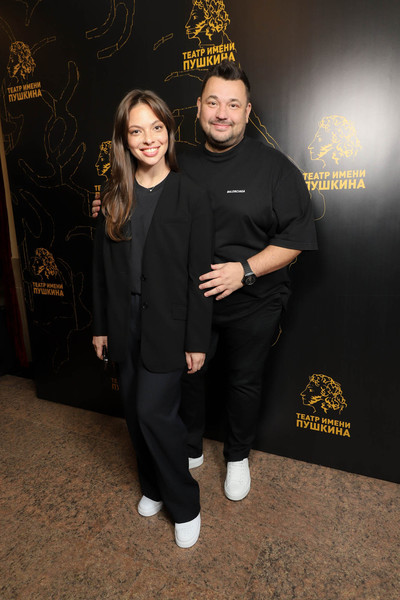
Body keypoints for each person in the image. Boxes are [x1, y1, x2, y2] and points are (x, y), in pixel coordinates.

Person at [92, 61, 318, 504]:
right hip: (187, 299)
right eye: (213, 102)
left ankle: (237, 456)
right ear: (198, 108)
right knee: (188, 377)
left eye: (233, 104)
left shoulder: (275, 168)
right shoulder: (179, 163)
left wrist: (244, 270)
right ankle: (190, 446)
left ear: (247, 112)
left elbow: (296, 239)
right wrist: (109, 206)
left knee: (243, 381)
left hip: (252, 299)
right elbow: (142, 194)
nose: (222, 113)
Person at [92, 89, 213, 548]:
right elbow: (101, 269)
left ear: (169, 130)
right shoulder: (113, 195)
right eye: (136, 131)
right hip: (124, 323)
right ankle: (153, 487)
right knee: (133, 413)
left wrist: (196, 340)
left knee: (153, 413)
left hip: (170, 326)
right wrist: (101, 327)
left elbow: (201, 276)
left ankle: (185, 503)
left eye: (156, 128)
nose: (148, 139)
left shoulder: (192, 195)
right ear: (124, 139)